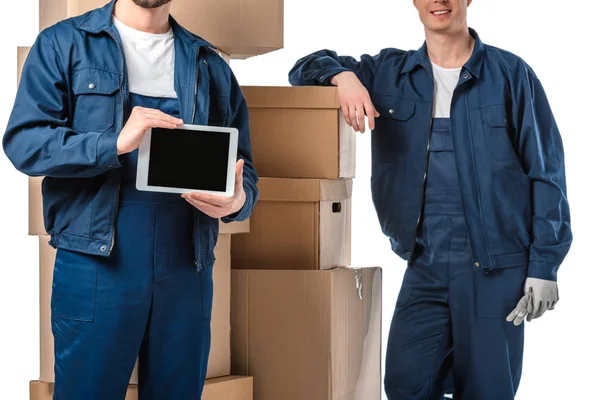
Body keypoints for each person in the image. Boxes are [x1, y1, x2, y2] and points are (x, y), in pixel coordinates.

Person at [289, 0, 572, 398]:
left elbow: (547, 172)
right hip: (426, 262)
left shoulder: (510, 75)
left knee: (488, 389)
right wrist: (344, 77)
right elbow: (302, 69)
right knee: (406, 383)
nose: (438, 1)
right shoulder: (390, 73)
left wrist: (545, 266)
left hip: (497, 266)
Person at [3, 0, 258, 398]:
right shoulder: (64, 44)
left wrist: (238, 201)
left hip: (186, 268)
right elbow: (25, 143)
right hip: (96, 265)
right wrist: (114, 143)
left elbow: (245, 168)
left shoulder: (209, 64)